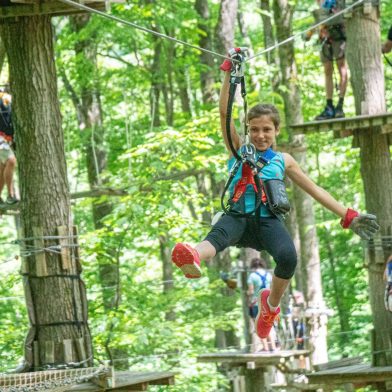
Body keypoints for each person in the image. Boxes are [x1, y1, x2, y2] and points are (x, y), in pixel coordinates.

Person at [171, 49, 380, 340]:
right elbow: (224, 113)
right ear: (247, 130)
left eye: (266, 129)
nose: (259, 135)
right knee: (215, 238)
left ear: (276, 130)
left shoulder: (284, 160)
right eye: (254, 129)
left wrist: (347, 215)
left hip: (268, 221)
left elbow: (314, 189)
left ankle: (270, 306)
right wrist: (228, 76)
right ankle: (191, 256)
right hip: (238, 218)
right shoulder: (237, 149)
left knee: (288, 257)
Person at [305, 0, 348, 120]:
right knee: (328, 70)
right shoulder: (320, 3)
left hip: (339, 36)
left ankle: (340, 105)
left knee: (342, 68)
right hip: (324, 37)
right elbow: (319, 18)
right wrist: (310, 32)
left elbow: (343, 13)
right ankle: (329, 106)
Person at [247, 257, 276, 352]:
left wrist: (247, 293)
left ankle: (265, 348)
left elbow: (251, 292)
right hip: (267, 303)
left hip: (256, 304)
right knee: (268, 325)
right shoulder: (268, 275)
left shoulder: (252, 276)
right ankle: (273, 347)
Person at [0, 91, 18, 205]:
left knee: (2, 167)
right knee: (10, 161)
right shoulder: (4, 97)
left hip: (7, 138)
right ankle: (11, 195)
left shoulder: (8, 98)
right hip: (1, 136)